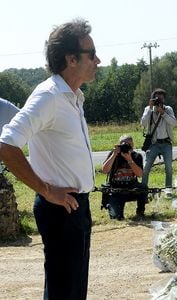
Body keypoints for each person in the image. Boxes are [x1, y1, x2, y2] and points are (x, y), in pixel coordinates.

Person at [0, 19, 101, 300]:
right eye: (91, 54)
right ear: (71, 59)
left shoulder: (71, 96)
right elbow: (6, 144)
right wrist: (46, 190)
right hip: (59, 208)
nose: (98, 60)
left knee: (73, 290)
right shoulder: (49, 96)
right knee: (62, 292)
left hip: (75, 206)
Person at [102, 135, 147, 220]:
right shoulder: (113, 155)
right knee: (116, 218)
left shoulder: (136, 156)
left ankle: (140, 212)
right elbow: (104, 171)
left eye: (128, 144)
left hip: (131, 188)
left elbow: (139, 174)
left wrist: (129, 159)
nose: (125, 147)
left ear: (132, 146)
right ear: (119, 145)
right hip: (116, 189)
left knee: (143, 188)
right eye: (123, 144)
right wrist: (114, 154)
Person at [141, 88, 176, 197]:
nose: (159, 101)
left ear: (164, 99)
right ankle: (143, 191)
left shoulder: (168, 109)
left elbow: (173, 123)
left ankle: (168, 190)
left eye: (161, 98)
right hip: (153, 143)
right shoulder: (148, 109)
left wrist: (163, 113)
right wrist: (150, 108)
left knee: (169, 168)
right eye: (157, 98)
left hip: (166, 143)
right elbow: (143, 123)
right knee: (146, 167)